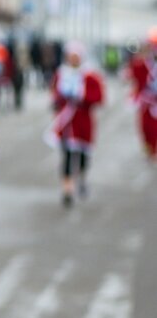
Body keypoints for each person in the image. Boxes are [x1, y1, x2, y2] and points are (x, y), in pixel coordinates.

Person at [44, 41, 104, 207]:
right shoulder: (61, 74)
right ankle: (67, 190)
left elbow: (99, 98)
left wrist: (81, 96)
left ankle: (82, 178)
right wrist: (57, 101)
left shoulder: (90, 76)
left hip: (83, 123)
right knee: (67, 157)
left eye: (76, 56)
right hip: (66, 125)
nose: (73, 59)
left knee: (83, 157)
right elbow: (54, 94)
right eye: (71, 56)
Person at [127, 28, 157, 163]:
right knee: (145, 127)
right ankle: (149, 148)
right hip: (147, 101)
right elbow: (134, 75)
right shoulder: (142, 63)